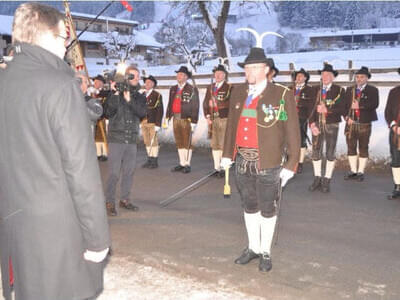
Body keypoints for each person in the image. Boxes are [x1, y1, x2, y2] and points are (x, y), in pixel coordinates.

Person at [0, 3, 110, 300]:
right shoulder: (59, 85)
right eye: (64, 37)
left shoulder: (5, 80)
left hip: (15, 222)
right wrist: (97, 239)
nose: (66, 45)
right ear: (45, 36)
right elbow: (81, 171)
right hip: (56, 230)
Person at [220, 47, 300, 272]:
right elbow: (231, 128)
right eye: (247, 68)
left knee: (267, 208)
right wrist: (227, 155)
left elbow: (292, 132)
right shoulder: (237, 92)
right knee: (249, 206)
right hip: (243, 161)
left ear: (267, 70)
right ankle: (253, 247)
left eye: (255, 67)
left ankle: (265, 251)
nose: (250, 72)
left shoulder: (282, 95)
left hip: (269, 162)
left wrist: (291, 164)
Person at [103, 65, 147, 216]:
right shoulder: (115, 93)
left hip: (131, 139)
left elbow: (142, 112)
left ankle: (125, 200)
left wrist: (129, 100)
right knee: (114, 173)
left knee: (129, 171)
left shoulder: (140, 96)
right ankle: (109, 202)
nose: (137, 78)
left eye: (138, 76)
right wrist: (115, 93)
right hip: (116, 138)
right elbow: (108, 112)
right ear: (126, 77)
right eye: (133, 76)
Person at [308, 63, 346, 193]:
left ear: (333, 77)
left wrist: (327, 110)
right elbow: (310, 109)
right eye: (323, 74)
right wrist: (311, 124)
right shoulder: (314, 89)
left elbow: (343, 108)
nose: (324, 77)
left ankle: (327, 179)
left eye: (328, 75)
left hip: (332, 124)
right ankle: (317, 178)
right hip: (317, 124)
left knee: (330, 152)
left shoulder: (339, 90)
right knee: (316, 151)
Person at [344, 66, 379, 181]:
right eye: (357, 77)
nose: (359, 79)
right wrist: (346, 117)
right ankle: (353, 170)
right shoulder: (349, 90)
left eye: (362, 77)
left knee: (363, 147)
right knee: (351, 147)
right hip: (351, 123)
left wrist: (360, 106)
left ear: (367, 78)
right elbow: (344, 106)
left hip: (364, 123)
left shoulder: (373, 90)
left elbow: (374, 104)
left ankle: (360, 171)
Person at [166, 66, 199, 174]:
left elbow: (195, 106)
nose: (178, 76)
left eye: (181, 75)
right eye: (178, 74)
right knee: (179, 140)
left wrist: (194, 121)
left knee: (187, 141)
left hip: (186, 118)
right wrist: (167, 117)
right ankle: (181, 162)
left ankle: (187, 163)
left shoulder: (192, 89)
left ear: (186, 77)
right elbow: (169, 104)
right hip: (175, 117)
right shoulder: (173, 89)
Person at [203, 64, 232, 176]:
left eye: (221, 74)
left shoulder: (229, 88)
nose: (218, 76)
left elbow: (231, 104)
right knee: (215, 144)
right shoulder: (210, 87)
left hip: (224, 118)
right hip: (213, 118)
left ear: (225, 75)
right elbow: (205, 102)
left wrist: (219, 105)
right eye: (216, 74)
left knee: (223, 144)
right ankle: (216, 168)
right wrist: (207, 115)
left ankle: (224, 168)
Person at [291, 68, 316, 173]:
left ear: (305, 78)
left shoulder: (309, 90)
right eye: (297, 76)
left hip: (302, 118)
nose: (298, 78)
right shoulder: (289, 89)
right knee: (290, 140)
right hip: (289, 118)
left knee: (301, 141)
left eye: (301, 76)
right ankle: (292, 161)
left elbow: (311, 106)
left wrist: (310, 120)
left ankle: (300, 163)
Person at [140, 75, 163, 169]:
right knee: (147, 141)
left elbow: (160, 110)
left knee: (153, 141)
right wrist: (139, 120)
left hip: (152, 121)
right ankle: (149, 158)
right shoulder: (142, 95)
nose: (147, 84)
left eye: (149, 82)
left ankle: (154, 160)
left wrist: (158, 123)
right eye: (146, 82)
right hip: (143, 121)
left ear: (153, 84)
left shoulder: (157, 95)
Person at [384, 67, 400, 200]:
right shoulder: (394, 92)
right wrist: (393, 125)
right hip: (395, 132)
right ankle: (397, 186)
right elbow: (388, 111)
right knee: (395, 160)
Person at [76, 71, 104, 136]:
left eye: (85, 82)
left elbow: (97, 113)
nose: (82, 85)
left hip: (86, 139)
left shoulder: (91, 100)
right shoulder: (67, 99)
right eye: (79, 82)